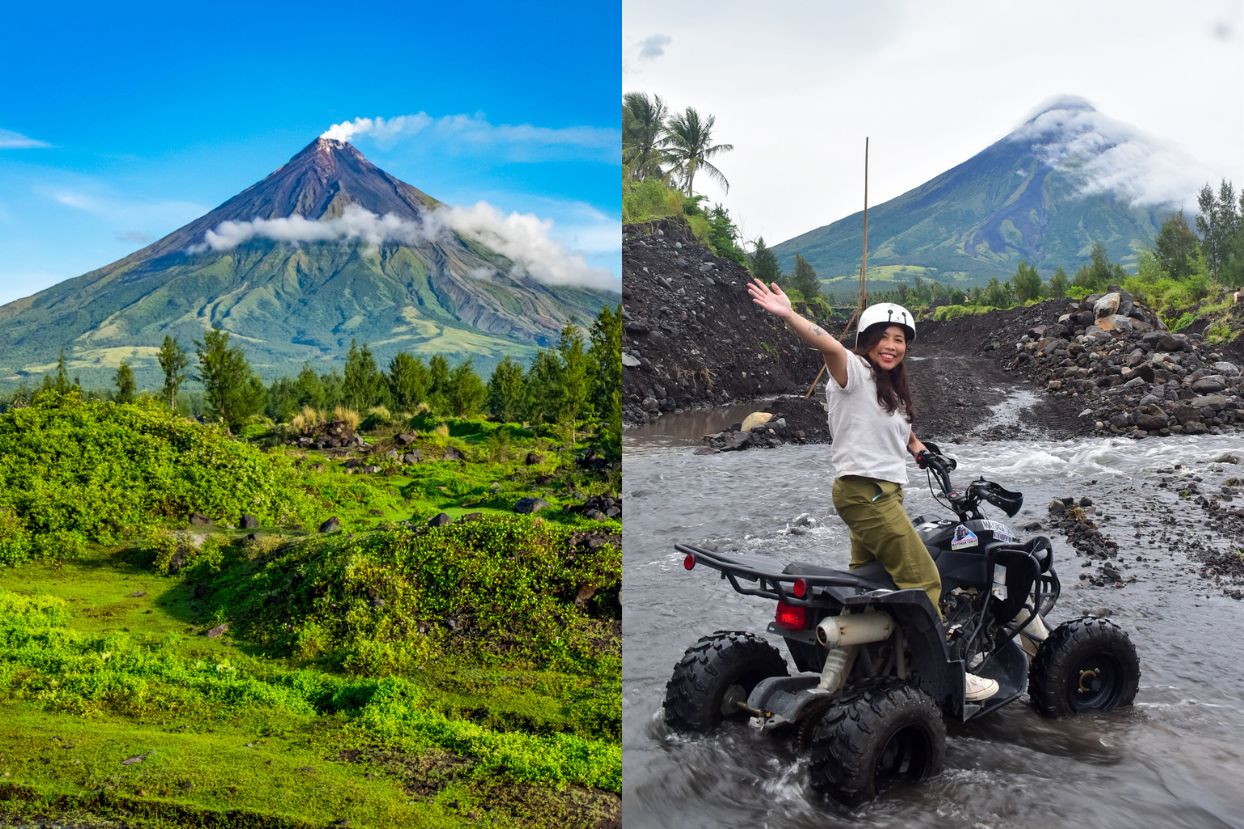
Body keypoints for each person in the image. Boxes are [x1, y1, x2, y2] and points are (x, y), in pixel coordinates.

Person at [747, 279, 1000, 702]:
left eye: (899, 339)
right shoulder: (853, 372)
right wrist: (789, 315)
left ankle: (871, 671)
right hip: (866, 494)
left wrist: (922, 452)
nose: (891, 345)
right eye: (882, 338)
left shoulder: (890, 389)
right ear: (865, 341)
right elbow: (827, 344)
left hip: (884, 493)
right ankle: (949, 674)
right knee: (923, 578)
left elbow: (898, 429)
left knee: (868, 587)